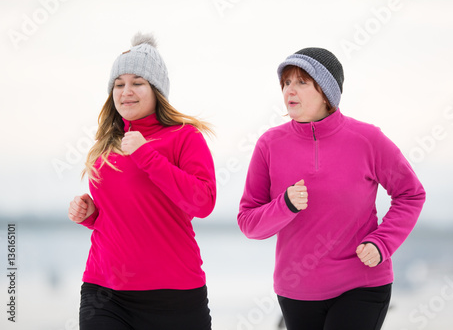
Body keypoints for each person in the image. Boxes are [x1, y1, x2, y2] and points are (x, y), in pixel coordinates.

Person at [238, 47, 426, 330]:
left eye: (301, 82)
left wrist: (382, 243)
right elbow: (249, 223)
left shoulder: (367, 139)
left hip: (361, 283)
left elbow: (411, 194)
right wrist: (284, 205)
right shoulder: (269, 145)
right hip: (296, 290)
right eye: (286, 82)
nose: (290, 89)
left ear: (326, 92)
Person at [68, 33, 216, 330]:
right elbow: (126, 214)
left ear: (156, 90)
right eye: (119, 84)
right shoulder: (106, 144)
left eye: (137, 82)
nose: (126, 92)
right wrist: (91, 215)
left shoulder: (184, 137)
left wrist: (146, 155)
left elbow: (202, 202)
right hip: (105, 291)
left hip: (174, 296)